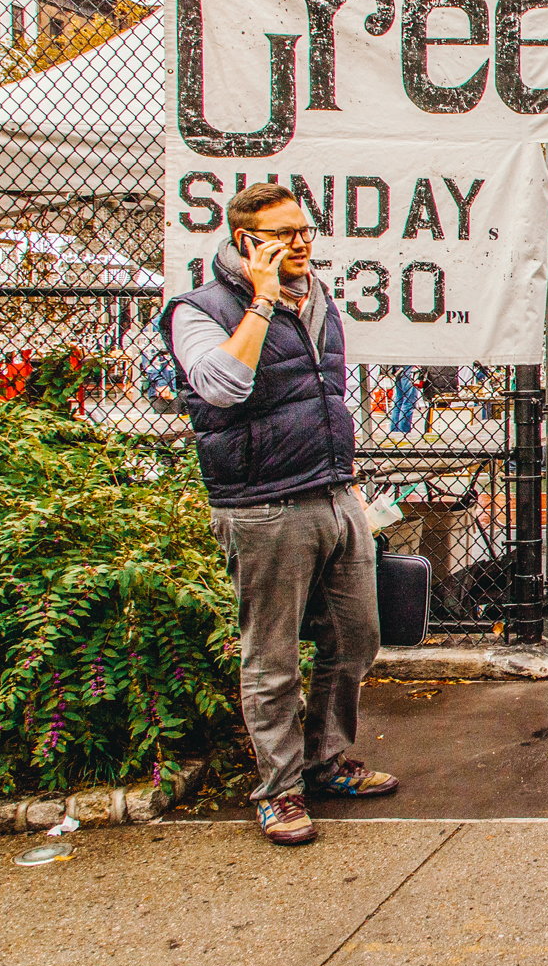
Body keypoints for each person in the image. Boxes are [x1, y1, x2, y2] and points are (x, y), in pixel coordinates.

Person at [162, 181, 396, 847]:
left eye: (304, 230)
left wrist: (347, 486)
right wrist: (262, 303)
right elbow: (224, 385)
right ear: (245, 243)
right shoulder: (198, 310)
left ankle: (326, 761)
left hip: (332, 492)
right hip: (262, 506)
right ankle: (279, 789)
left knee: (357, 635)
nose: (301, 242)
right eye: (283, 234)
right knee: (272, 658)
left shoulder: (318, 298)